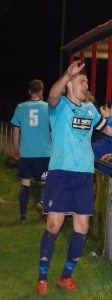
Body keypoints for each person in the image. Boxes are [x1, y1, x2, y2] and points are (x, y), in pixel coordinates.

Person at [35, 61, 112, 295]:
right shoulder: (59, 106)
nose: (85, 85)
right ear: (70, 85)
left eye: (86, 82)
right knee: (54, 226)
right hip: (61, 173)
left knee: (82, 228)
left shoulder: (90, 110)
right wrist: (67, 74)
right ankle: (42, 277)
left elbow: (109, 130)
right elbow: (52, 95)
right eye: (81, 81)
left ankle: (65, 276)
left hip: (84, 175)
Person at [11, 79, 51, 223]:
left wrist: (16, 148)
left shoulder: (21, 107)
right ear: (41, 91)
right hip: (44, 153)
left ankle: (22, 216)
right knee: (45, 182)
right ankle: (43, 205)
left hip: (27, 153)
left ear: (29, 91)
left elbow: (16, 129)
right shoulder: (48, 107)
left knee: (25, 183)